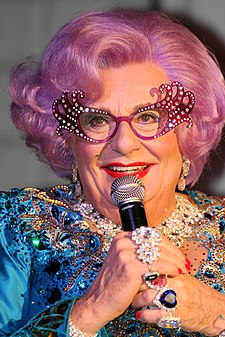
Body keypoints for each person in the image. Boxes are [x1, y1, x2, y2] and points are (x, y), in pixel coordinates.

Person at [0, 8, 225, 337]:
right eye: (97, 119)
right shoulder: (13, 227)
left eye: (148, 117)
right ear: (66, 138)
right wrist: (88, 312)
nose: (123, 143)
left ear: (187, 132)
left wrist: (215, 316)